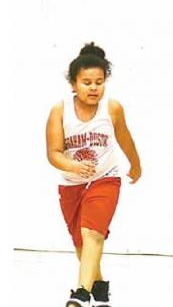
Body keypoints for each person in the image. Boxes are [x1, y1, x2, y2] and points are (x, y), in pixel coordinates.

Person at [46, 42, 142, 307]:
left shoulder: (112, 109)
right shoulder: (59, 110)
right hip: (71, 183)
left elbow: (125, 138)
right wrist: (73, 166)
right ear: (74, 84)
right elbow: (53, 153)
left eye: (99, 82)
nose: (93, 87)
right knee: (80, 243)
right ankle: (99, 284)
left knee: (93, 234)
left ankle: (81, 292)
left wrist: (136, 164)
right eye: (86, 82)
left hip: (105, 178)